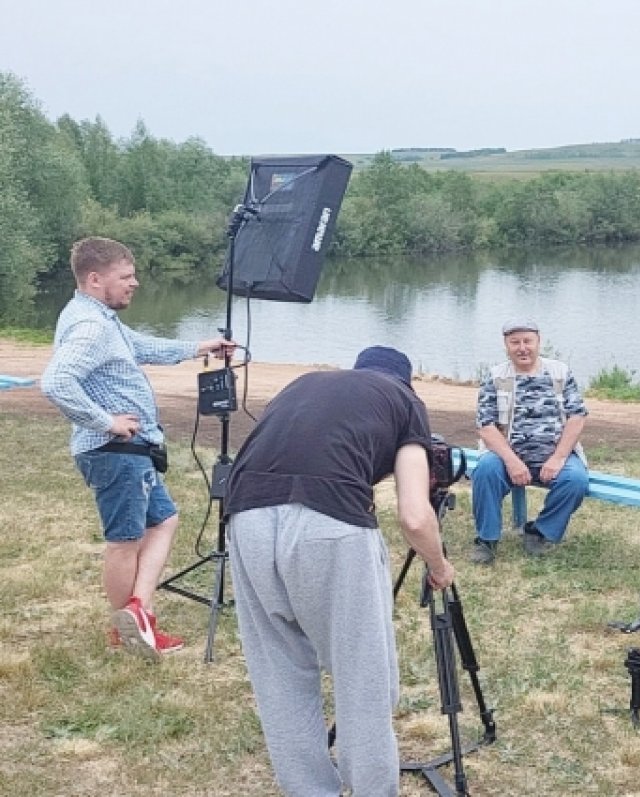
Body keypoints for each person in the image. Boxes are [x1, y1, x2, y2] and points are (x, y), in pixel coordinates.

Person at [225, 346, 455, 797]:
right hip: (330, 523)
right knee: (361, 678)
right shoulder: (405, 402)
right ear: (405, 382)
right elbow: (414, 514)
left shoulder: (304, 386)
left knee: (281, 675)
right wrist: (438, 564)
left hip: (245, 516)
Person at [41, 236, 234, 660]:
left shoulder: (97, 317)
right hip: (115, 452)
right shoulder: (91, 326)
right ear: (95, 279)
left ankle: (137, 610)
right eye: (125, 277)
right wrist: (106, 421)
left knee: (163, 520)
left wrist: (197, 347)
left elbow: (140, 346)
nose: (135, 284)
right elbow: (56, 381)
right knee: (124, 541)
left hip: (130, 454)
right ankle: (125, 631)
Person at [470, 320, 589, 564]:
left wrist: (557, 458)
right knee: (485, 471)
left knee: (576, 480)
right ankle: (487, 539)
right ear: (506, 345)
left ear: (538, 342)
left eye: (527, 341)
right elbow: (486, 426)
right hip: (507, 454)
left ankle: (539, 531)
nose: (522, 348)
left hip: (554, 453)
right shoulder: (495, 377)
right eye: (515, 342)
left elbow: (577, 417)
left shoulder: (560, 372)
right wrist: (512, 462)